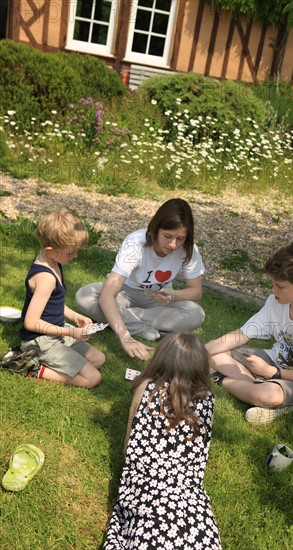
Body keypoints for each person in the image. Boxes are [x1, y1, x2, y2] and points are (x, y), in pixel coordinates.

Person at [103, 332, 221, 549]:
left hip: (146, 488)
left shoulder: (145, 388)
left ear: (161, 358)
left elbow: (128, 447)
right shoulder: (208, 400)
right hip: (189, 495)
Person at [206, 243, 293, 424]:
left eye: (280, 286)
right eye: (273, 284)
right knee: (216, 352)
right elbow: (241, 335)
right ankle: (259, 392)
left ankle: (228, 380)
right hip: (273, 361)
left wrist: (272, 372)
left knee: (268, 395)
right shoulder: (276, 302)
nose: (273, 290)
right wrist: (200, 351)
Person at [75, 198, 205, 361]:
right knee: (85, 295)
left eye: (180, 239)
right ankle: (145, 330)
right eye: (167, 236)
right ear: (156, 228)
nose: (173, 244)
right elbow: (108, 294)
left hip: (159, 300)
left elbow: (196, 291)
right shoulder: (136, 242)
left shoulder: (189, 249)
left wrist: (173, 294)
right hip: (124, 293)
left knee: (196, 314)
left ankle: (115, 317)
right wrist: (125, 337)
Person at [19, 209, 106, 387]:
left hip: (55, 333)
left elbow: (52, 304)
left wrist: (74, 316)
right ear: (50, 249)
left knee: (98, 359)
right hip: (39, 341)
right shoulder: (46, 278)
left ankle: (55, 361)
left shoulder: (53, 260)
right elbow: (31, 322)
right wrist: (70, 332)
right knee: (93, 378)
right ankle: (32, 367)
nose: (75, 256)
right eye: (70, 253)